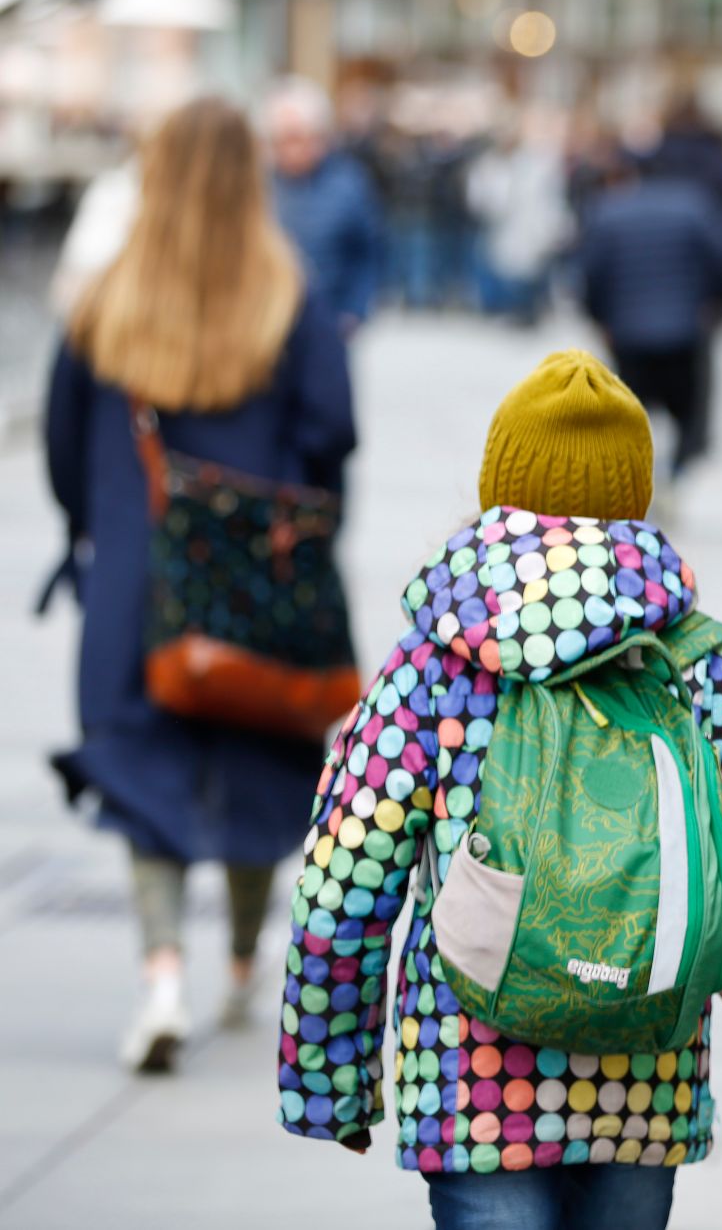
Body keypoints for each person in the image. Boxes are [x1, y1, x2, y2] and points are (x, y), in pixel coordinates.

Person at [275, 350, 722, 1230]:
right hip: (643, 1074)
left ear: (500, 487)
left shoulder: (433, 664)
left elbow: (341, 879)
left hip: (470, 1079)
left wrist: (332, 1079)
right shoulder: (699, 660)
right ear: (637, 498)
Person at [42, 97, 355, 1072]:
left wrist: (94, 527)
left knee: (144, 769)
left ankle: (163, 971)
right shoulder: (286, 296)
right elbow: (333, 433)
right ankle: (239, 955)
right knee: (261, 753)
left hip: (139, 581)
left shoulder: (107, 299)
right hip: (257, 578)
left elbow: (59, 443)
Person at [580, 153, 722, 482]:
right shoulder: (696, 206)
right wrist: (718, 304)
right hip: (685, 328)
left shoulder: (610, 209)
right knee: (688, 409)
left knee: (630, 410)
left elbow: (591, 273)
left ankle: (636, 477)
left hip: (628, 332)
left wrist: (599, 317)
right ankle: (678, 469)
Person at [265, 76, 385, 337]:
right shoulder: (259, 183)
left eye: (296, 138)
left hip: (329, 321)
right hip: (268, 323)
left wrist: (355, 310)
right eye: (281, 139)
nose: (288, 149)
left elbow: (369, 252)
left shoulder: (349, 183)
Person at [467, 107, 574, 326]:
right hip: (505, 227)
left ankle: (530, 310)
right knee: (509, 269)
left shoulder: (538, 164)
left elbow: (551, 198)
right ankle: (513, 309)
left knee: (533, 269)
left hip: (533, 227)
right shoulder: (490, 164)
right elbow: (484, 197)